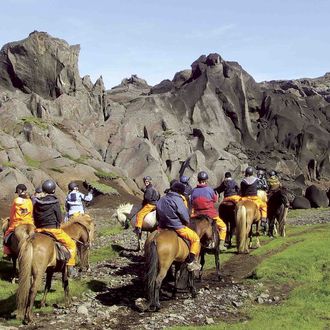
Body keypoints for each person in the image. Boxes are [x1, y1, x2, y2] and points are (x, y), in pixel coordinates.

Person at [33, 179, 77, 275]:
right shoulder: (55, 202)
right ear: (53, 190)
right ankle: (70, 267)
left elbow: (34, 216)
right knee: (71, 245)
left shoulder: (37, 201)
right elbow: (59, 218)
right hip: (53, 230)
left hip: (38, 230)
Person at [156, 181, 201, 272]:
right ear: (180, 191)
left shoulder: (162, 199)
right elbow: (184, 214)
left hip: (161, 227)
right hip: (176, 227)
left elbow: (157, 214)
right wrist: (186, 222)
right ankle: (190, 262)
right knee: (195, 238)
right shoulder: (178, 199)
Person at [190, 171, 227, 251]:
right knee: (223, 227)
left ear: (198, 180)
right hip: (210, 214)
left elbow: (191, 202)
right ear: (206, 180)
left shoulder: (193, 191)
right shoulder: (210, 190)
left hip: (197, 215)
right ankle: (221, 245)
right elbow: (214, 200)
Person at [3, 184, 34, 257]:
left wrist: (10, 223)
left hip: (17, 223)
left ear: (20, 191)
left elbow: (12, 213)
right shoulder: (29, 201)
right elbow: (31, 212)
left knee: (6, 237)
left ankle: (8, 253)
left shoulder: (16, 201)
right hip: (29, 222)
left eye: (17, 191)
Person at [240, 167, 268, 232]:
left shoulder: (243, 181)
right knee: (264, 206)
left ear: (246, 173)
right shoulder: (256, 180)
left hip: (245, 198)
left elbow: (242, 191)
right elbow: (259, 187)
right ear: (252, 173)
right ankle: (263, 220)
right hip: (254, 198)